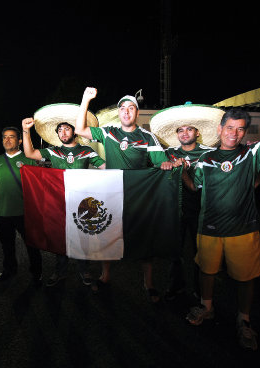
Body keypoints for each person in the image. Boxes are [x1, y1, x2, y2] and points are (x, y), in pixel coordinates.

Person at [179, 73, 260, 350]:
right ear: (220, 128)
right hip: (208, 228)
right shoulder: (205, 158)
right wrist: (182, 172)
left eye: (239, 129)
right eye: (229, 127)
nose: (233, 133)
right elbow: (193, 187)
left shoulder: (251, 153)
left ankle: (244, 320)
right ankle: (206, 307)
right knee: (207, 272)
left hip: (244, 229)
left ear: (244, 132)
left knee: (245, 278)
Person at [74, 87, 173, 303]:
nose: (126, 112)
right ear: (118, 113)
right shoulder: (109, 132)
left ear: (137, 113)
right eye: (122, 108)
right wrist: (85, 99)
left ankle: (148, 283)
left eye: (131, 108)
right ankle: (105, 275)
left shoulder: (147, 136)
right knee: (107, 235)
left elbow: (160, 163)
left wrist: (165, 164)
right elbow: (80, 129)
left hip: (139, 198)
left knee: (143, 240)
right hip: (111, 195)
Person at [22, 117, 106, 287]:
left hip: (81, 203)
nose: (63, 132)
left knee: (83, 237)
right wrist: (25, 130)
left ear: (74, 131)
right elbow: (29, 154)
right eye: (60, 130)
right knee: (60, 237)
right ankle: (60, 272)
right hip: (58, 202)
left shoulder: (87, 151)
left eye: (66, 129)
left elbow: (106, 167)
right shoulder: (54, 151)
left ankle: (84, 270)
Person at [164, 123, 217, 301]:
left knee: (200, 253)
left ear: (197, 132)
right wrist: (167, 165)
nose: (184, 133)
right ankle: (175, 287)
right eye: (180, 130)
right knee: (174, 251)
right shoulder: (169, 153)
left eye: (189, 129)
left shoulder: (209, 152)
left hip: (201, 210)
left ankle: (201, 291)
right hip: (175, 210)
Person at [0, 127, 43, 285]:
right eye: (5, 137)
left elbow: (39, 185)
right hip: (3, 212)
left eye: (11, 137)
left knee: (32, 244)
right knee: (7, 245)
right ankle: (9, 270)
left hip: (25, 212)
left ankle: (36, 272)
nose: (7, 140)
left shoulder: (28, 159)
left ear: (19, 141)